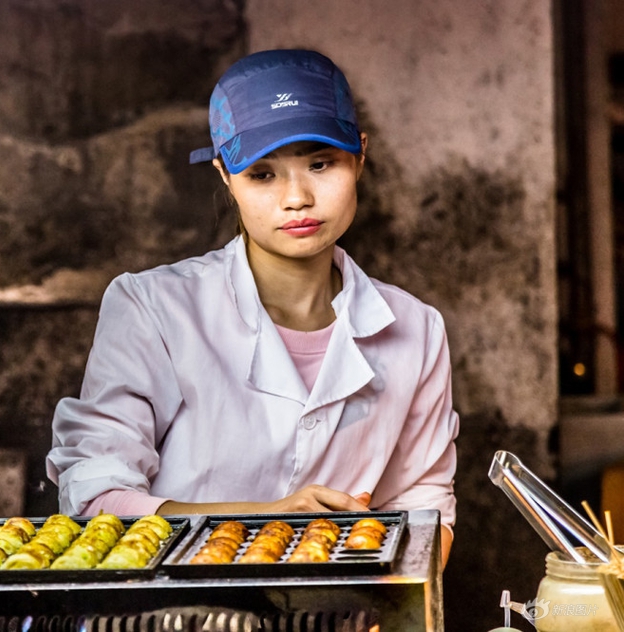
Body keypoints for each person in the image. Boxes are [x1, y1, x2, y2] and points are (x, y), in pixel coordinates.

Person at [46, 49, 458, 565]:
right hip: (173, 617)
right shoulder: (153, 309)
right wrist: (268, 517)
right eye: (262, 174)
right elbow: (96, 497)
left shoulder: (416, 330)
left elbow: (425, 508)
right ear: (224, 175)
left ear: (360, 156)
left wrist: (394, 618)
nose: (297, 198)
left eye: (320, 163)